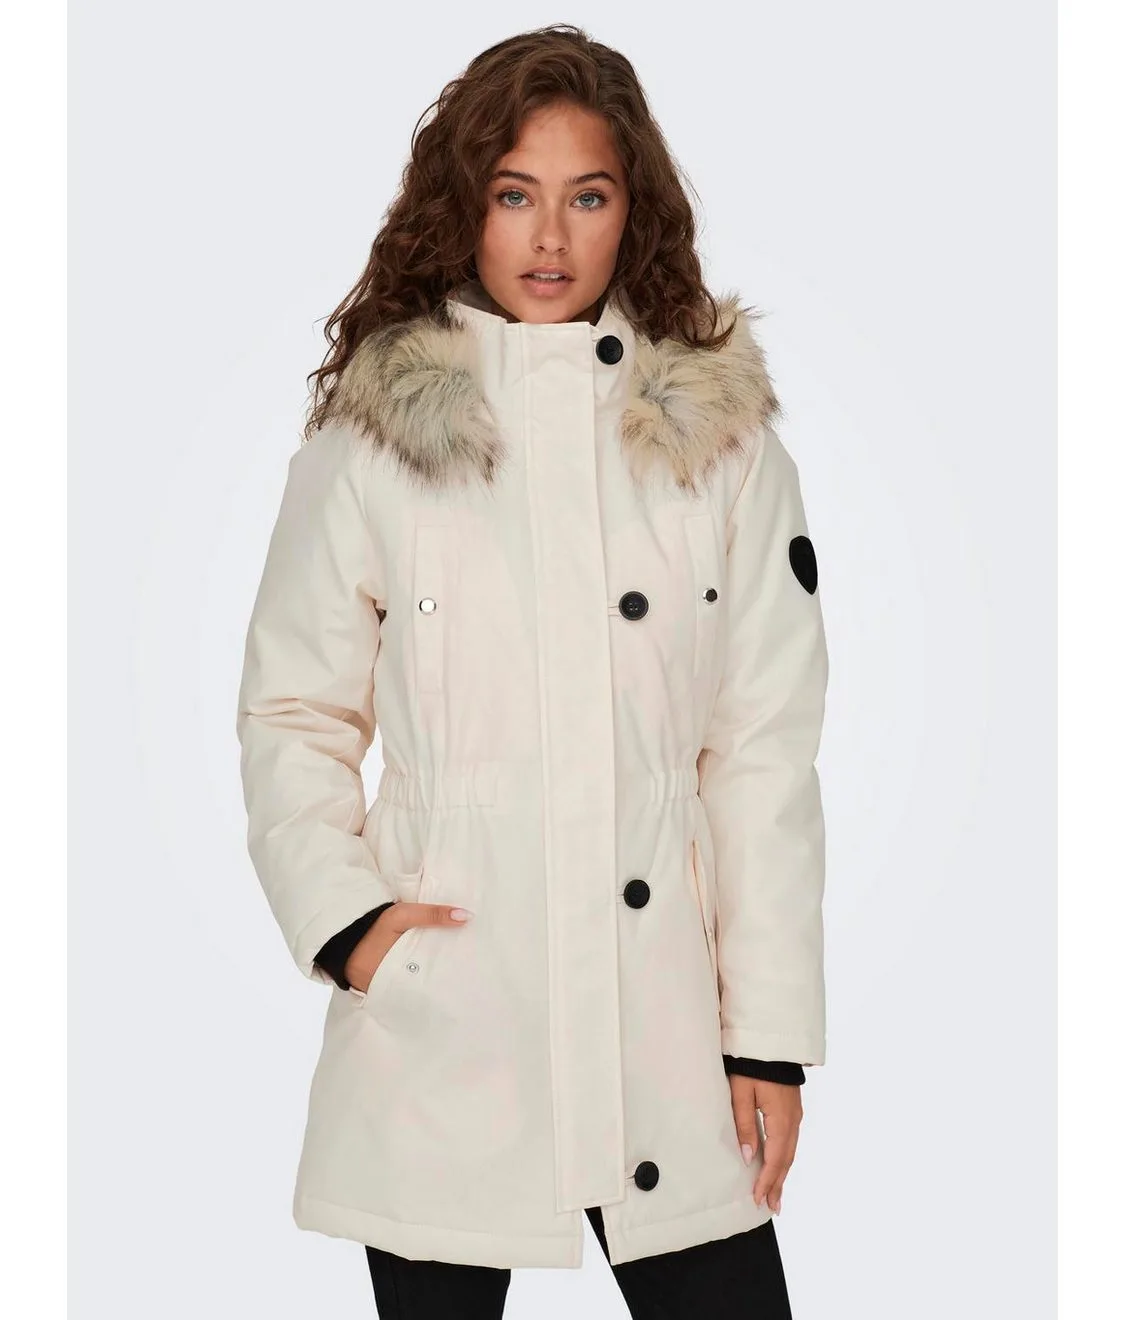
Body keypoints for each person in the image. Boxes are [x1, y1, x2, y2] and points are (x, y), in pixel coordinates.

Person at [235, 23, 829, 1319]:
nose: (550, 238)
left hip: (666, 1025)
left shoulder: (720, 443)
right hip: (451, 1019)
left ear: (635, 213)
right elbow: (293, 711)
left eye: (588, 197)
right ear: (465, 206)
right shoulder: (376, 439)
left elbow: (764, 752)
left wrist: (770, 1040)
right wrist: (351, 930)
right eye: (515, 195)